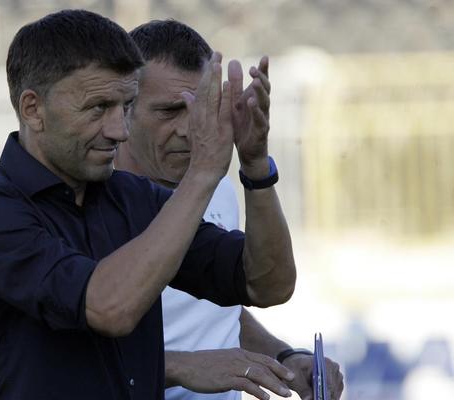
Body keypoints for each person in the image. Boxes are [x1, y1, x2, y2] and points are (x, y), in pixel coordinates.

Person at [0, 9, 296, 400]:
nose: (119, 130)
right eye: (99, 108)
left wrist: (255, 167)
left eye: (125, 107)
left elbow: (266, 284)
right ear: (32, 109)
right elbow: (110, 308)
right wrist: (202, 173)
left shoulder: (133, 197)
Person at [116, 20, 344, 400]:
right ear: (124, 110)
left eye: (201, 109)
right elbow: (70, 354)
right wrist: (184, 367)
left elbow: (221, 307)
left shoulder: (217, 185)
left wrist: (283, 355)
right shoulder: (87, 202)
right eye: (170, 111)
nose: (189, 130)